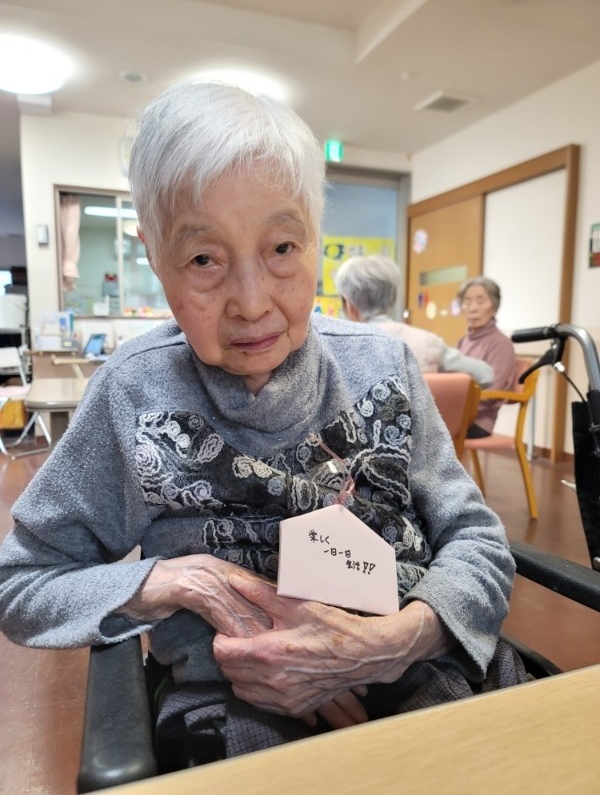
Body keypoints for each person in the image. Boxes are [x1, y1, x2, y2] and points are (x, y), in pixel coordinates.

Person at [0, 82, 525, 766]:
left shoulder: (384, 366)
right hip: (231, 711)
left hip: (424, 671)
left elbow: (476, 538)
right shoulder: (133, 393)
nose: (251, 304)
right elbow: (23, 584)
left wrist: (400, 640)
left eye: (281, 248)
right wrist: (175, 581)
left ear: (316, 242)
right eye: (203, 259)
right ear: (155, 259)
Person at [335, 254, 494, 387]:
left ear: (348, 304)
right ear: (393, 298)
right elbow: (486, 375)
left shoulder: (339, 348)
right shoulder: (428, 343)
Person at [457, 276, 517, 438]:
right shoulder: (463, 341)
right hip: (456, 414)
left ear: (494, 307)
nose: (473, 308)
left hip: (477, 421)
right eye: (467, 302)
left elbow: (493, 389)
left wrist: (453, 400)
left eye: (480, 301)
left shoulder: (501, 343)